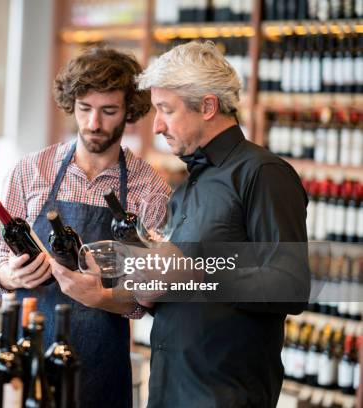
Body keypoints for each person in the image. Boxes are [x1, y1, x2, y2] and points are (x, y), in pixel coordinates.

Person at [0, 47, 171, 408]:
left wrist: (104, 295)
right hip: (25, 362)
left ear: (129, 111)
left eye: (108, 111)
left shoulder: (150, 189)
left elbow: (149, 298)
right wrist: (9, 275)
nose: (94, 123)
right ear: (72, 105)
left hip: (98, 371)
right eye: (84, 109)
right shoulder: (31, 171)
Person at [132, 41, 310, 407]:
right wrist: (151, 289)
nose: (157, 125)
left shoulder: (263, 173)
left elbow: (290, 285)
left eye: (166, 110)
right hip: (169, 390)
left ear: (208, 106)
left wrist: (192, 274)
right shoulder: (187, 186)